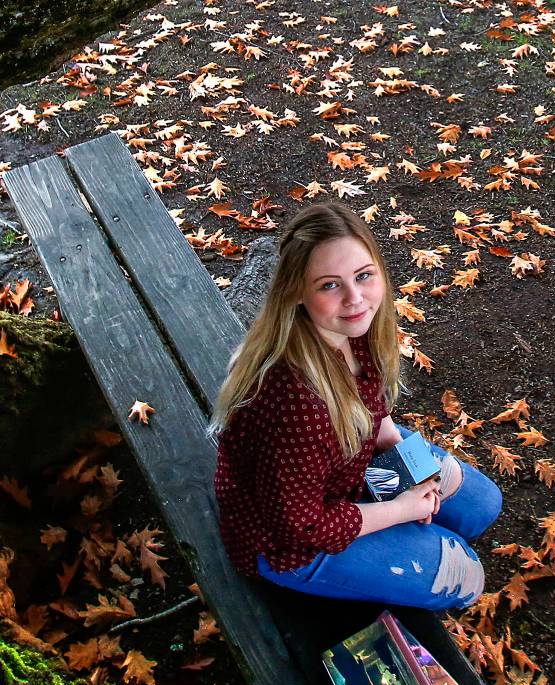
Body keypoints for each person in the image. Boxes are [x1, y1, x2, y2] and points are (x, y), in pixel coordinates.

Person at [210, 202, 502, 610]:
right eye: (329, 285)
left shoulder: (356, 329)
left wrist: (411, 468)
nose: (355, 298)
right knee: (466, 576)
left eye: (364, 276)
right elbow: (305, 527)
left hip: (345, 470)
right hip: (289, 542)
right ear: (296, 292)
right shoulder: (296, 406)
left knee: (481, 506)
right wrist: (400, 509)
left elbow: (374, 414)